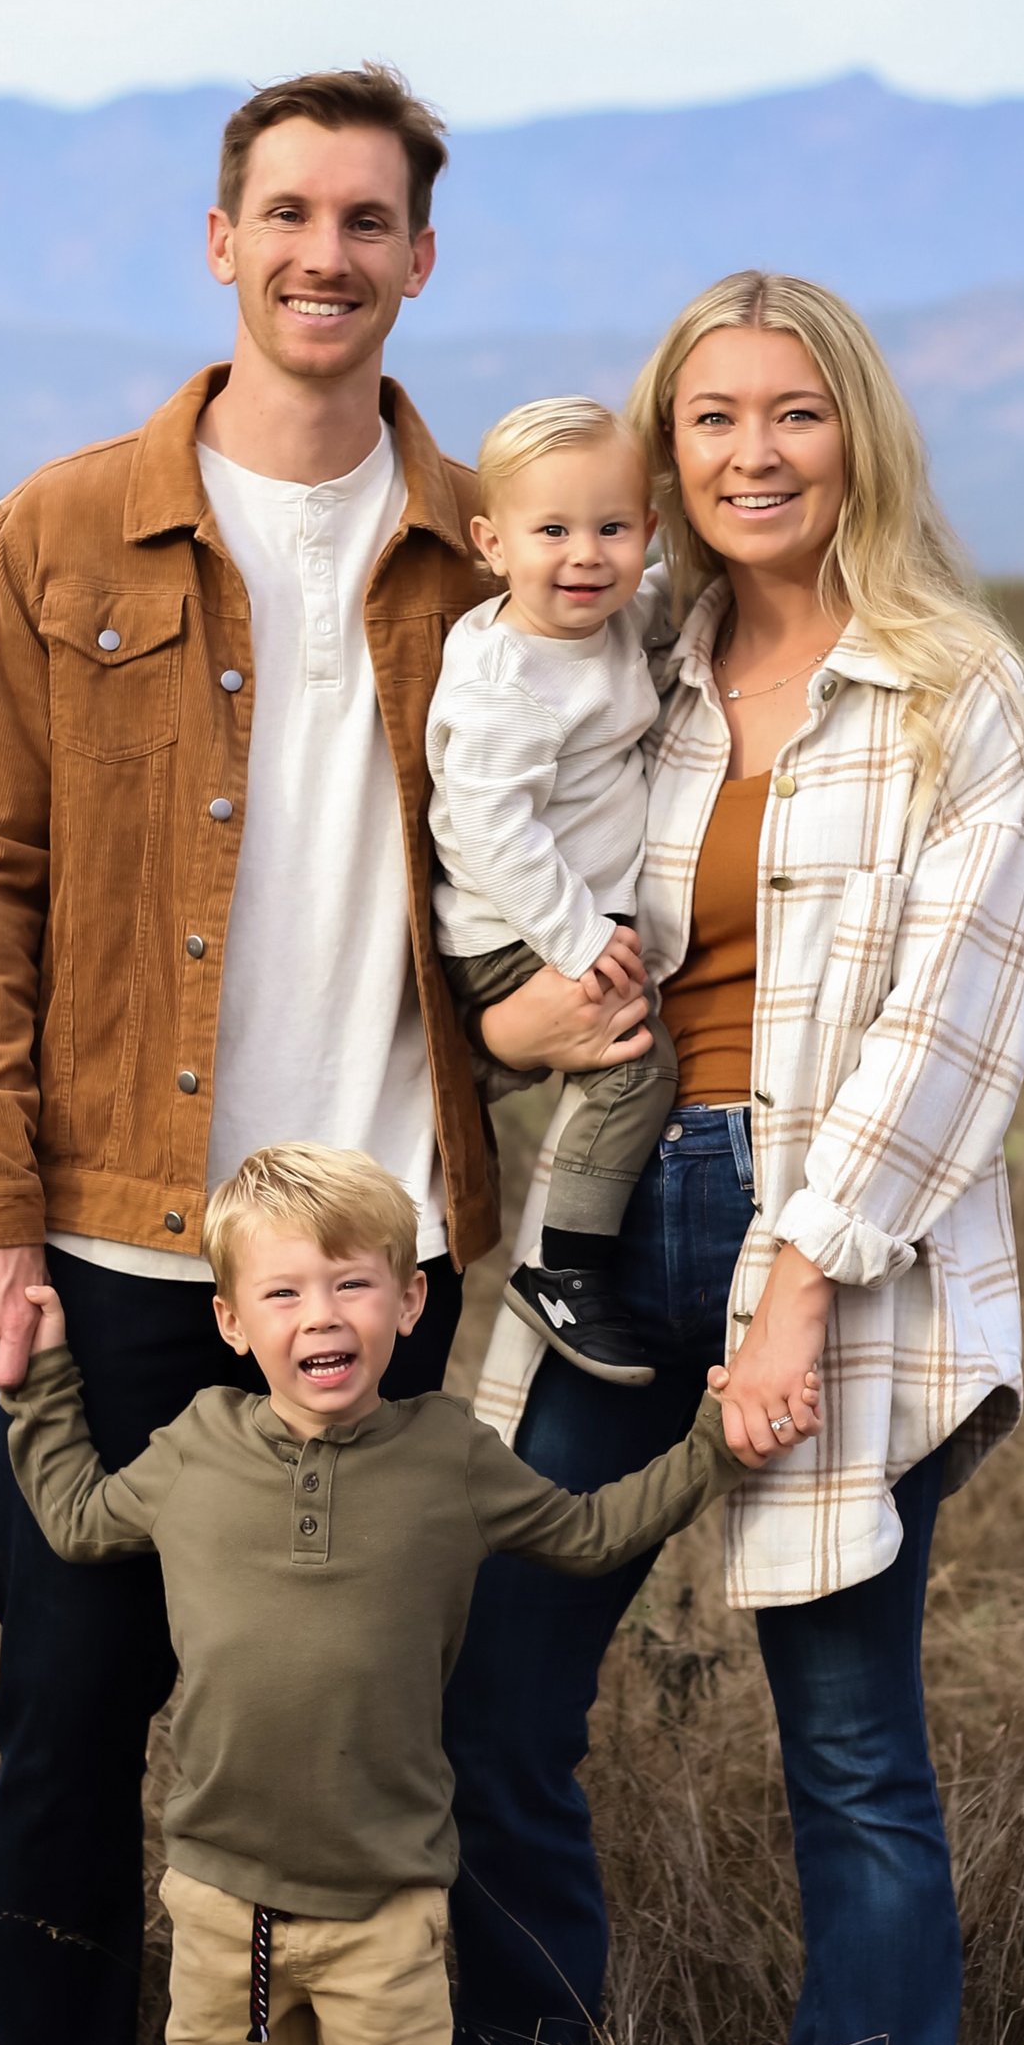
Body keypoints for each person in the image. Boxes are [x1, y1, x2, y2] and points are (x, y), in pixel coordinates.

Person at [0, 63, 634, 2045]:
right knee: (72, 1710)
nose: (325, 254)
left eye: (368, 222)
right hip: (132, 1235)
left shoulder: (486, 550)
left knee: (442, 1727)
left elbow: (647, 762)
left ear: (423, 260)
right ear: (218, 241)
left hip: (406, 1253)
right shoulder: (64, 530)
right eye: (286, 214)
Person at [445, 271, 1024, 2045]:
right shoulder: (631, 659)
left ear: (852, 433)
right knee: (490, 1699)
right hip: (609, 1239)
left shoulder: (949, 687)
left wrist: (793, 1281)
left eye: (789, 414)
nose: (748, 455)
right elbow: (503, 853)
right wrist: (504, 1016)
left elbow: (949, 1023)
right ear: (664, 451)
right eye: (707, 421)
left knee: (852, 1757)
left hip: (830, 1242)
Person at [0, 1143, 791, 2045]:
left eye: (353, 1286)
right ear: (231, 1322)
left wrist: (714, 1442)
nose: (322, 1315)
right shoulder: (196, 1447)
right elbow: (76, 1517)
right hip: (226, 1902)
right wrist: (41, 1374)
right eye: (284, 1293)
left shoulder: (447, 1459)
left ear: (409, 1301)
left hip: (382, 1901)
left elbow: (586, 1536)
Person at [427, 393, 680, 1388]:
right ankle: (563, 1272)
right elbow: (488, 827)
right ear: (491, 544)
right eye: (553, 532)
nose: (585, 555)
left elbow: (676, 592)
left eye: (611, 529)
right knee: (631, 1065)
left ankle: (486, 1070)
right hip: (513, 928)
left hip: (555, 920)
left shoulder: (606, 621)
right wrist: (578, 937)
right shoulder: (506, 679)